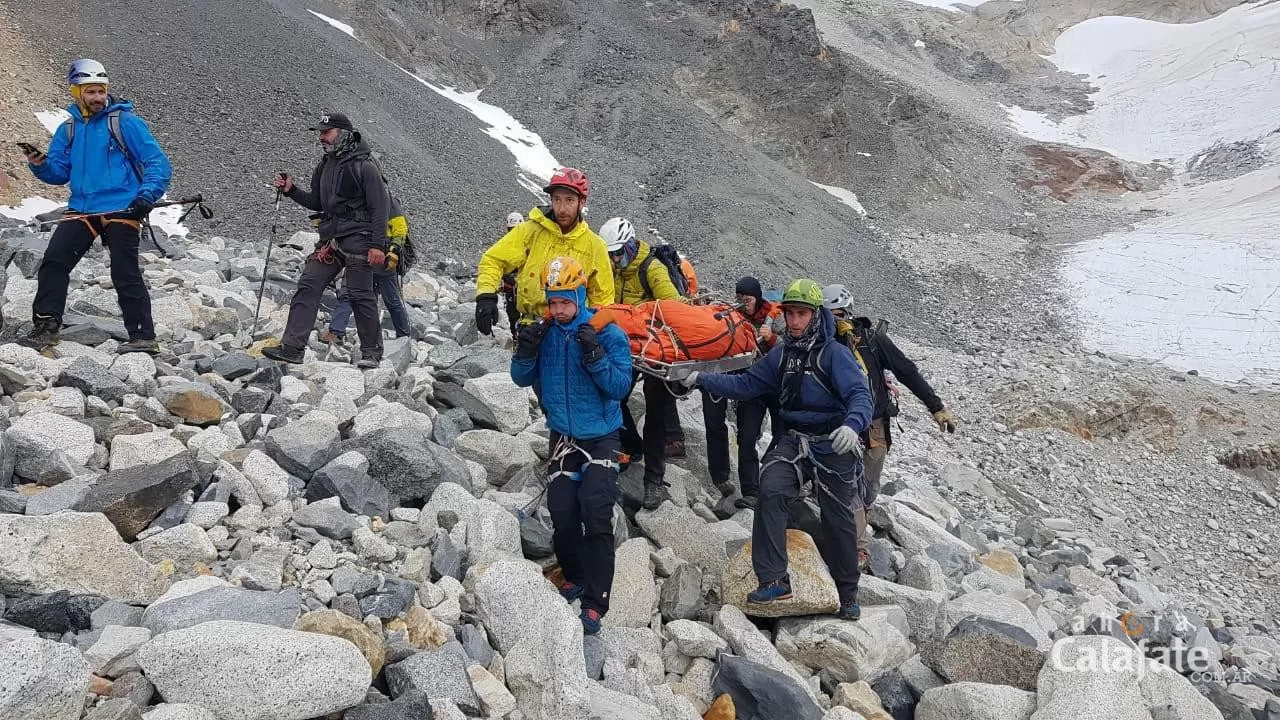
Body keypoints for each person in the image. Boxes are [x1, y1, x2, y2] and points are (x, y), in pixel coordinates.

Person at [681, 279, 871, 620]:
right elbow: (746, 384)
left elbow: (860, 394)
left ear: (815, 316)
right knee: (770, 490)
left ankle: (847, 593)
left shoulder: (835, 354)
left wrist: (852, 425)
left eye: (801, 314)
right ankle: (774, 578)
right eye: (790, 313)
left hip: (834, 441)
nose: (795, 321)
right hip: (795, 440)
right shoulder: (783, 354)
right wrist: (702, 378)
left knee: (839, 518)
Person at [510, 256, 632, 635]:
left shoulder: (608, 333)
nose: (558, 310)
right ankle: (575, 575)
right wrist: (525, 351)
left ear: (580, 295)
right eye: (553, 302)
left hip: (602, 435)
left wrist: (594, 355)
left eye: (565, 302)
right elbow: (519, 378)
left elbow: (619, 387)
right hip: (563, 435)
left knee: (595, 510)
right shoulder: (547, 333)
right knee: (562, 514)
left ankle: (596, 602)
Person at [21, 58, 173, 353]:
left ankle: (143, 337)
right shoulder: (69, 129)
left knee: (124, 269)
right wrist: (39, 165)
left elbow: (158, 163)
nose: (98, 98)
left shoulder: (126, 122)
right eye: (90, 92)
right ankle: (46, 327)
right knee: (54, 262)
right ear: (76, 92)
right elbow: (59, 173)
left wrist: (145, 197)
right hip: (82, 207)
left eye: (101, 91)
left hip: (123, 207)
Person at [823, 283, 959, 570]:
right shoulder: (820, 344)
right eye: (826, 315)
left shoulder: (873, 341)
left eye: (835, 314)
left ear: (847, 311)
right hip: (839, 424)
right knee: (851, 488)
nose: (831, 321)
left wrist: (936, 407)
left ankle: (864, 514)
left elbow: (906, 371)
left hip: (874, 424)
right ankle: (858, 551)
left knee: (869, 486)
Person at [265, 112, 391, 368]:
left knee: (359, 294)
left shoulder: (365, 165)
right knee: (309, 284)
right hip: (331, 240)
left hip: (361, 239)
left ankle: (372, 354)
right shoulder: (326, 165)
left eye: (326, 132)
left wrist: (378, 245)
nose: (321, 137)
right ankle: (292, 348)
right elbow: (318, 202)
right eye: (320, 133)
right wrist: (291, 191)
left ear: (342, 133)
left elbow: (381, 206)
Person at [600, 216, 687, 510]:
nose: (613, 260)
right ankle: (632, 448)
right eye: (610, 255)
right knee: (614, 394)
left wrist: (639, 316)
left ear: (630, 245)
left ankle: (653, 481)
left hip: (656, 350)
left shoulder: (652, 269)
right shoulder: (615, 272)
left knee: (656, 413)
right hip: (629, 348)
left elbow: (675, 307)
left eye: (616, 253)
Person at [474, 168, 613, 335]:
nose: (562, 208)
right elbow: (493, 259)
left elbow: (603, 300)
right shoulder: (530, 231)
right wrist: (486, 296)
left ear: (581, 202)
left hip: (571, 333)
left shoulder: (595, 246)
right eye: (557, 199)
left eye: (569, 200)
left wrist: (596, 335)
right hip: (529, 327)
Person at [707, 276, 784, 508]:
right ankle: (751, 491)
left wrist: (772, 339)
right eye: (739, 298)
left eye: (747, 298)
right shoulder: (735, 318)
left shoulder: (778, 318)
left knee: (783, 437)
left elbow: (792, 346)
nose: (742, 302)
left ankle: (777, 484)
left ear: (757, 296)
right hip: (753, 385)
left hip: (780, 386)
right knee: (747, 437)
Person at [320, 193, 411, 343]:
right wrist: (394, 250)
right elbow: (400, 229)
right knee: (390, 300)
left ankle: (336, 332)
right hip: (375, 258)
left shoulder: (362, 199)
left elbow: (400, 228)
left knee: (350, 294)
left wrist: (393, 250)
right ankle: (403, 335)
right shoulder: (386, 200)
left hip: (373, 257)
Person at [500, 211, 525, 337]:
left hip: (525, 286)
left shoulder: (529, 245)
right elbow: (499, 266)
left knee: (528, 313)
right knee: (512, 313)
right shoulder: (504, 245)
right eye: (511, 229)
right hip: (511, 286)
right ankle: (516, 337)